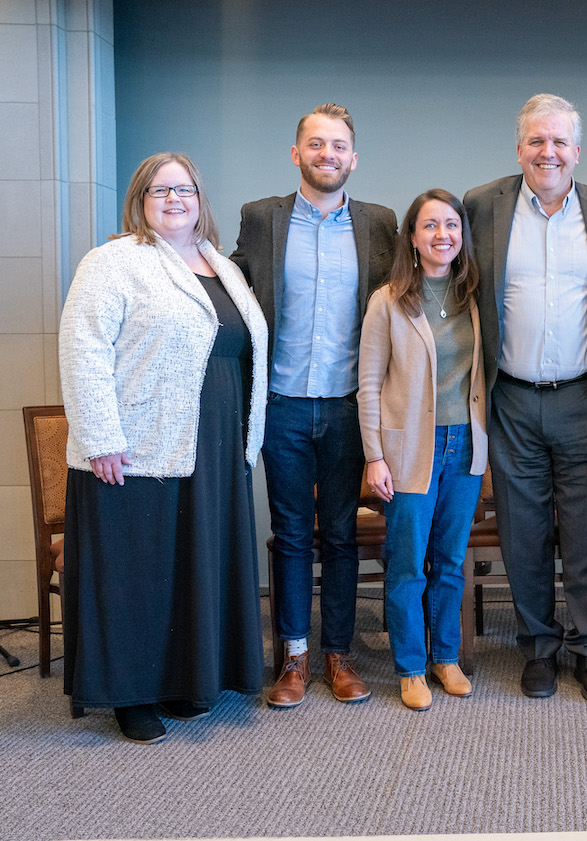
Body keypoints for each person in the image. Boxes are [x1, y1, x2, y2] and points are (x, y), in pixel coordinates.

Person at [58, 152, 269, 744]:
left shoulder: (222, 267)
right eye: (159, 190)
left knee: (189, 565)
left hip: (215, 441)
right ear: (139, 200)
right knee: (138, 571)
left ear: (201, 198)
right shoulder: (113, 262)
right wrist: (101, 437)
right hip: (138, 441)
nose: (174, 199)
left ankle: (184, 680)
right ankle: (132, 695)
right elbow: (84, 349)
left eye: (184, 189)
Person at [231, 103, 398, 709]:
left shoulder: (381, 224)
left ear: (353, 158)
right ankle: (294, 658)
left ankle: (340, 657)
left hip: (353, 407)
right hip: (283, 407)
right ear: (296, 153)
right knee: (293, 534)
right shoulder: (261, 219)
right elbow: (227, 287)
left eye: (339, 146)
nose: (328, 154)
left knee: (342, 537)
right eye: (316, 144)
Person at [463, 93, 587, 703]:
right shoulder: (482, 206)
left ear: (577, 151)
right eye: (537, 141)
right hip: (511, 398)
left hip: (584, 397)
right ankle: (537, 648)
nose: (548, 152)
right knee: (523, 530)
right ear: (519, 147)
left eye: (559, 142)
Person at [358, 190, 487, 711]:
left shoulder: (473, 297)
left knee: (451, 562)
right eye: (430, 225)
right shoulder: (388, 300)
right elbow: (368, 382)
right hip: (409, 449)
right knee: (408, 564)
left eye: (452, 225)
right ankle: (411, 666)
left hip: (465, 448)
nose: (442, 235)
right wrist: (374, 455)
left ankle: (445, 657)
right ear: (412, 238)